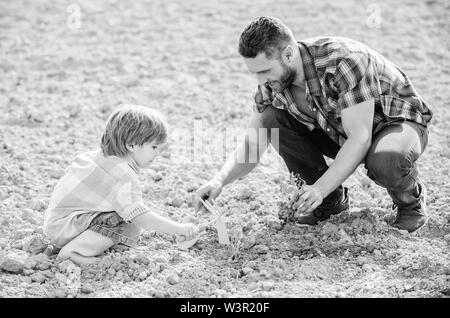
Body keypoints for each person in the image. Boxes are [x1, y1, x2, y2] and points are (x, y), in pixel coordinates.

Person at [194, 16, 432, 233]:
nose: (260, 81)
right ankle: (330, 203)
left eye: (265, 71)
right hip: (338, 130)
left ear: (288, 54)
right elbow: (252, 145)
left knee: (387, 160)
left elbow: (360, 137)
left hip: (394, 125)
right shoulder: (271, 84)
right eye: (255, 73)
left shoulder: (344, 60)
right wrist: (219, 180)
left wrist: (319, 187)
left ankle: (410, 204)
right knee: (271, 119)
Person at [44, 105, 198, 264]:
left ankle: (81, 243)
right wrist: (178, 229)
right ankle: (73, 252)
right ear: (131, 145)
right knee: (124, 225)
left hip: (57, 224)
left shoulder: (99, 156)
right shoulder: (125, 176)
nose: (157, 153)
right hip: (67, 229)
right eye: (153, 147)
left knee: (125, 221)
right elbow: (140, 217)